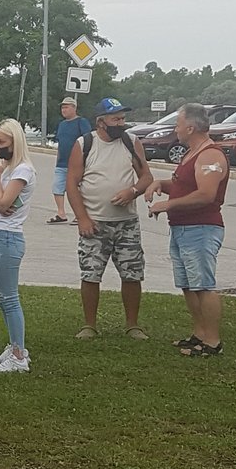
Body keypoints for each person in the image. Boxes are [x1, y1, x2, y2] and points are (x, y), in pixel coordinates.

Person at [66, 97, 153, 339]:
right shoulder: (85, 144)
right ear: (101, 122)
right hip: (94, 223)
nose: (121, 123)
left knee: (132, 274)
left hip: (127, 223)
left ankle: (132, 325)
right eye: (116, 119)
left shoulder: (131, 141)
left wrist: (132, 191)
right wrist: (82, 218)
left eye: (123, 118)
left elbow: (146, 177)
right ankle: (89, 325)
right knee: (91, 274)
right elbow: (72, 184)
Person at [146, 103, 228, 357]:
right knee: (189, 284)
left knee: (203, 284)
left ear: (191, 127)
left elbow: (205, 194)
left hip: (201, 228)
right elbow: (184, 186)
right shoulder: (191, 153)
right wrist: (160, 183)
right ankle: (199, 334)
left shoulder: (210, 155)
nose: (176, 129)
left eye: (178, 124)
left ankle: (212, 342)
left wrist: (167, 204)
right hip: (181, 228)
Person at [0, 119, 37, 373]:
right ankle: (14, 344)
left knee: (10, 297)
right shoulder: (7, 170)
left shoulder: (22, 170)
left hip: (8, 237)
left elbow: (3, 203)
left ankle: (19, 354)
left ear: (16, 142)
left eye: (1, 142)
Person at [50, 96, 89, 224]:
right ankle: (61, 213)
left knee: (77, 189)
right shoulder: (61, 125)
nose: (63, 110)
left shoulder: (81, 122)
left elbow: (88, 140)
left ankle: (80, 215)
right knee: (57, 187)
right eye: (62, 107)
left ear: (74, 108)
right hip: (61, 163)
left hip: (77, 163)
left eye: (66, 107)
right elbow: (60, 143)